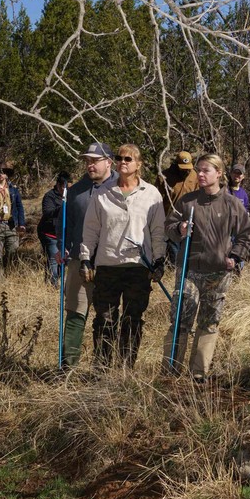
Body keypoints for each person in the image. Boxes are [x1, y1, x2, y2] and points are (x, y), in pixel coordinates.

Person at [163, 154, 250, 382]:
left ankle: (198, 373)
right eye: (199, 170)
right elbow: (169, 226)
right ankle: (169, 372)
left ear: (219, 173)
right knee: (180, 320)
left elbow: (248, 234)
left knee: (209, 321)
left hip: (218, 273)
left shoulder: (232, 204)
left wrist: (235, 256)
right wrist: (180, 229)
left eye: (206, 170)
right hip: (189, 270)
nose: (201, 175)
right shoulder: (187, 202)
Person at [78, 144, 166, 369]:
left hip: (139, 267)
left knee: (132, 319)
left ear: (139, 164)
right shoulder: (102, 193)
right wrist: (86, 258)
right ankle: (103, 368)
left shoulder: (151, 194)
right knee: (105, 319)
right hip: (107, 265)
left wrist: (159, 260)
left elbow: (157, 230)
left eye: (128, 158)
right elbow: (91, 229)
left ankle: (125, 368)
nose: (123, 162)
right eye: (119, 158)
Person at [60, 143, 117, 368]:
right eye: (87, 161)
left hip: (110, 262)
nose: (90, 165)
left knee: (106, 316)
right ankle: (68, 366)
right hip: (78, 262)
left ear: (109, 162)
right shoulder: (75, 192)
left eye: (95, 160)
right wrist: (63, 247)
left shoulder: (120, 187)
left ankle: (102, 367)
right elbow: (65, 224)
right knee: (75, 313)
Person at [37, 172, 70, 287]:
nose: (64, 189)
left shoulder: (71, 195)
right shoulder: (49, 196)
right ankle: (52, 285)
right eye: (62, 186)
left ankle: (61, 282)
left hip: (64, 234)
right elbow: (47, 212)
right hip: (49, 233)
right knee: (53, 259)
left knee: (64, 260)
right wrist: (62, 208)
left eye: (67, 187)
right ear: (58, 185)